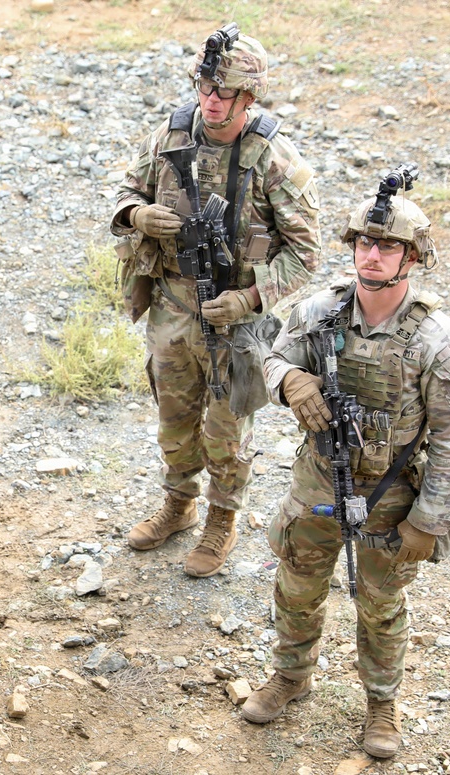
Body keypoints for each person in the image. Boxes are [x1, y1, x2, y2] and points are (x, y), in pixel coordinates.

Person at [243, 190, 450, 759]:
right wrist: (288, 382)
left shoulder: (437, 342)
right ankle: (291, 675)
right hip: (319, 477)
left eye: (388, 246)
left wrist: (428, 520)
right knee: (296, 584)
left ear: (412, 258)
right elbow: (267, 353)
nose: (371, 255)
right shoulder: (319, 311)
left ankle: (381, 702)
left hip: (389, 494)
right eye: (364, 242)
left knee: (381, 602)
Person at [110, 26, 321, 578]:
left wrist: (251, 297)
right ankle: (178, 506)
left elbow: (306, 253)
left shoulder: (273, 159)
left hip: (235, 318)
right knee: (174, 419)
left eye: (221, 92)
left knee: (228, 429)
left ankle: (221, 520)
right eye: (203, 86)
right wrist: (138, 216)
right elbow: (125, 192)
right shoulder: (172, 135)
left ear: (248, 98)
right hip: (173, 304)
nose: (209, 100)